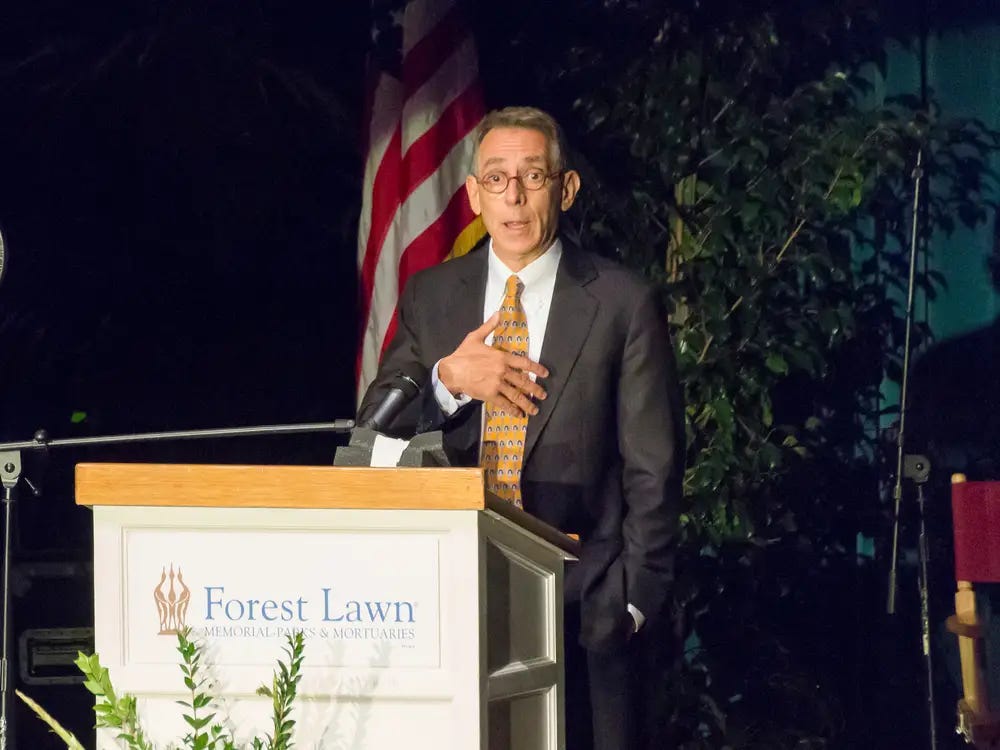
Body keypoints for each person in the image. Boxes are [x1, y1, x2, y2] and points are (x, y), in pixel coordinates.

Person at [358, 106, 685, 750]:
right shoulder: (431, 295)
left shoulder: (622, 302)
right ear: (473, 194)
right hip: (450, 594)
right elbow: (373, 439)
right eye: (496, 178)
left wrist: (631, 599)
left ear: (565, 189)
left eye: (533, 176)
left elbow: (656, 464)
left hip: (584, 603)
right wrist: (448, 383)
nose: (513, 196)